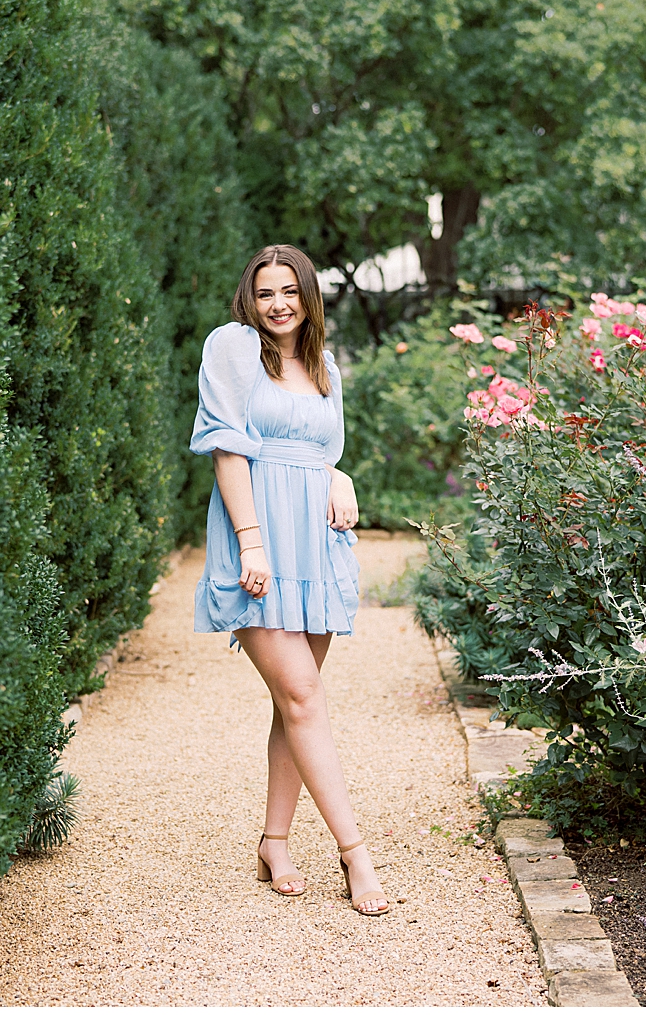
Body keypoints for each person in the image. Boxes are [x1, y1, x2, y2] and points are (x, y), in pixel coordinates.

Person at [190, 244, 390, 916]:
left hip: (317, 544)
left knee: (292, 702)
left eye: (290, 291)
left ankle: (275, 840)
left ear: (309, 295)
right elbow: (228, 446)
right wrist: (251, 542)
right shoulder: (235, 348)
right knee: (303, 694)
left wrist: (343, 474)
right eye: (266, 291)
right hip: (262, 542)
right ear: (250, 297)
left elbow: (321, 448)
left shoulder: (327, 365)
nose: (278, 303)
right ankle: (355, 852)